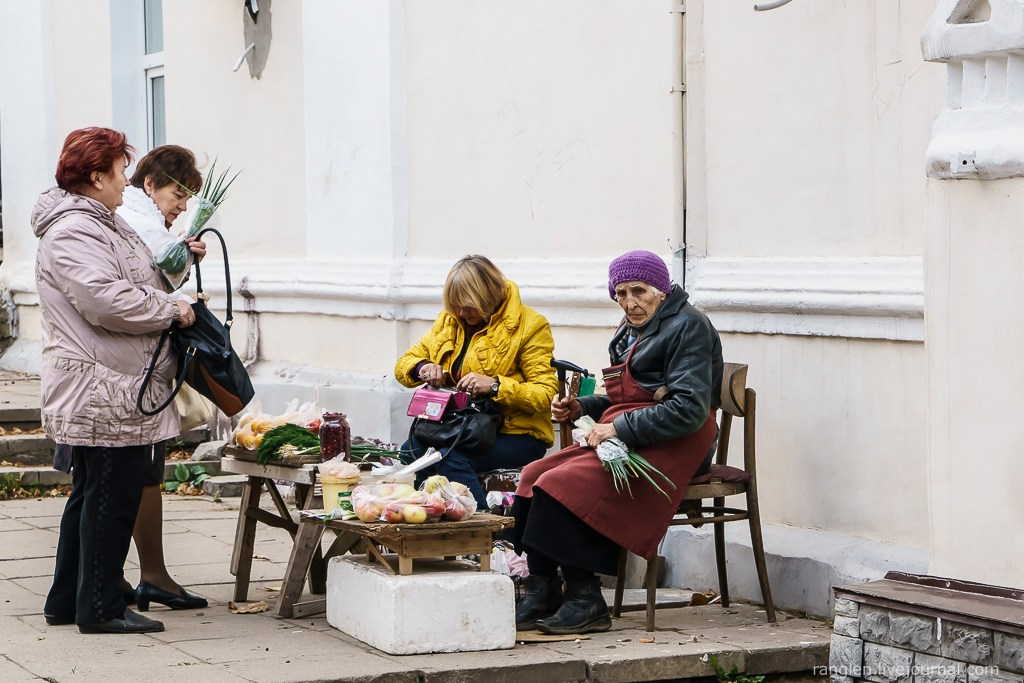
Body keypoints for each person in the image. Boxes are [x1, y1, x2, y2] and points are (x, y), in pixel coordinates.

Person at [35, 127, 205, 634]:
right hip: (102, 384)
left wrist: (177, 271)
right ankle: (101, 606)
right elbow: (106, 300)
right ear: (95, 176)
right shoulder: (74, 230)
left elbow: (140, 277)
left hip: (116, 380)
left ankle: (68, 599)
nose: (125, 181)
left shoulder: (101, 222)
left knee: (93, 493)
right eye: (118, 171)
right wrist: (171, 310)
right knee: (112, 495)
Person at [511, 250, 723, 635]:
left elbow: (689, 409)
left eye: (638, 291)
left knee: (562, 484)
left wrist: (620, 428)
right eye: (621, 294)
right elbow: (621, 396)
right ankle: (543, 590)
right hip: (634, 430)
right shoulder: (629, 327)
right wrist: (579, 407)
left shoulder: (690, 326)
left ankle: (585, 598)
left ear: (660, 290)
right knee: (533, 474)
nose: (629, 302)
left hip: (679, 439)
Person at [112, 145, 209, 612]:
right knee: (137, 474)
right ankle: (143, 577)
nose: (182, 205)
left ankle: (135, 578)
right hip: (131, 369)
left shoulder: (141, 221)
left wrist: (182, 256)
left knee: (138, 473)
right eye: (178, 193)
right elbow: (148, 290)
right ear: (149, 184)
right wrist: (181, 290)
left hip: (131, 367)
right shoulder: (137, 223)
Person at [395, 255, 559, 508]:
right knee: (412, 452)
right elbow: (405, 363)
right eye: (455, 305)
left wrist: (495, 385)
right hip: (460, 428)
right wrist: (423, 368)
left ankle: (481, 535)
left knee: (450, 459)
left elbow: (545, 394)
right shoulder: (450, 321)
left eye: (468, 306)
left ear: (489, 296)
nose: (461, 312)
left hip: (517, 434)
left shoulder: (530, 326)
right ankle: (429, 526)